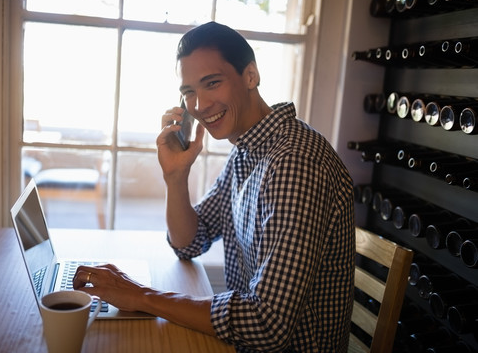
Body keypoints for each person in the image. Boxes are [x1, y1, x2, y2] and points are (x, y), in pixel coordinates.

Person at [74, 21, 355, 352]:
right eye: (188, 91)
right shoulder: (248, 152)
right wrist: (175, 178)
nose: (199, 105)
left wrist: (140, 296)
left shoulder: (295, 162)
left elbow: (267, 324)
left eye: (212, 83)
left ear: (250, 76)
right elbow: (189, 242)